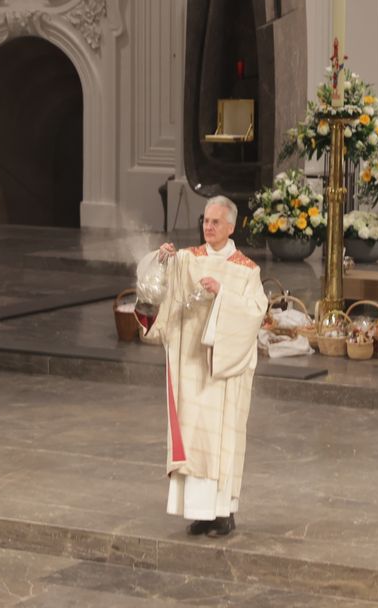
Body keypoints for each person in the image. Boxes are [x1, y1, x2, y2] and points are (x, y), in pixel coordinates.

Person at [144, 196, 268, 538]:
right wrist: (162, 260)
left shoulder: (247, 270)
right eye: (205, 221)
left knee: (221, 441)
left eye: (215, 222)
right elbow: (161, 288)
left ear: (231, 227)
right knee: (194, 437)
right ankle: (199, 513)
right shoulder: (188, 259)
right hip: (191, 366)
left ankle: (223, 513)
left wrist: (223, 293)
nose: (208, 227)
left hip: (223, 371)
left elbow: (256, 311)